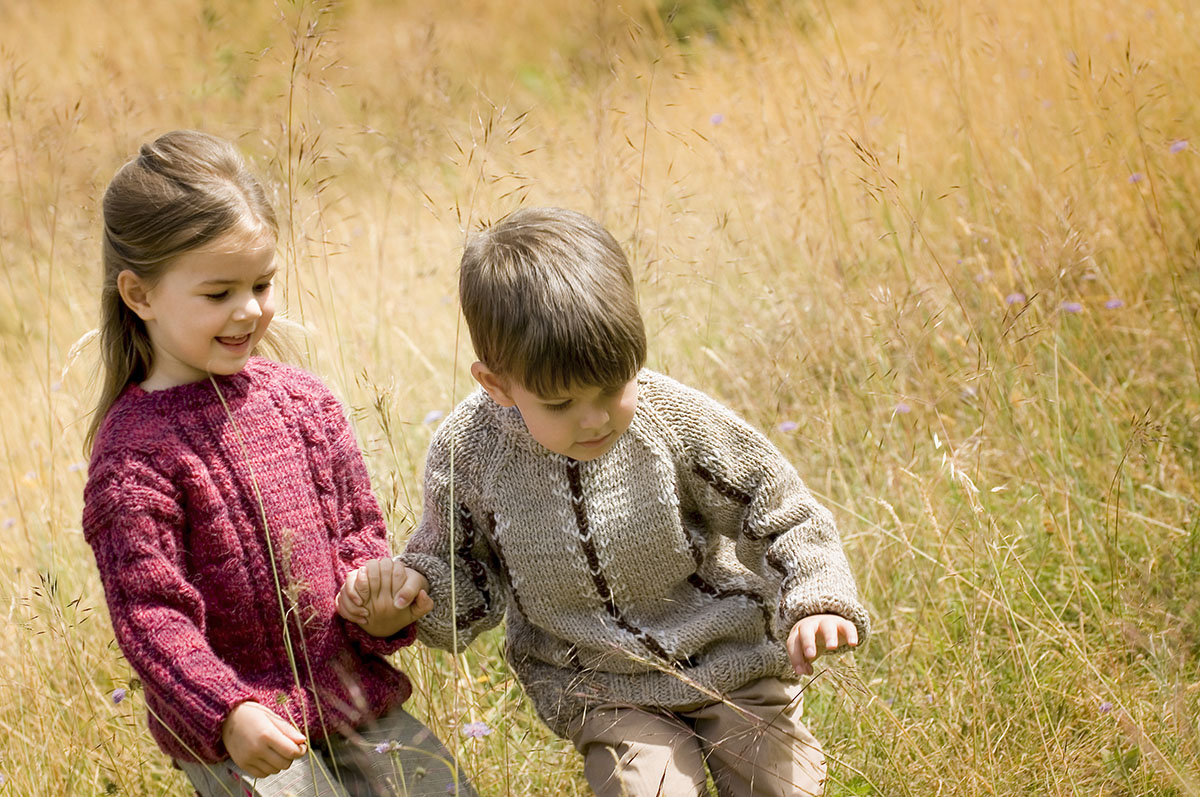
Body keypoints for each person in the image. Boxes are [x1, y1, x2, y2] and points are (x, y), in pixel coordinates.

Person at [340, 206, 870, 796]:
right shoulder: (469, 453)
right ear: (496, 383)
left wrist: (817, 598)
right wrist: (411, 604)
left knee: (782, 785)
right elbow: (462, 581)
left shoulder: (672, 420)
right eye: (561, 404)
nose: (594, 419)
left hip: (732, 661)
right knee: (646, 789)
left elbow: (776, 509)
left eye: (613, 389)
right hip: (601, 688)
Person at [82, 130, 474, 797]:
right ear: (140, 294)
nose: (250, 310)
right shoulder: (133, 457)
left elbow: (358, 538)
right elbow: (152, 616)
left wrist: (378, 602)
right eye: (218, 293)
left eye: (262, 283)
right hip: (244, 739)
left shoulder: (305, 405)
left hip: (357, 706)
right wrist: (227, 711)